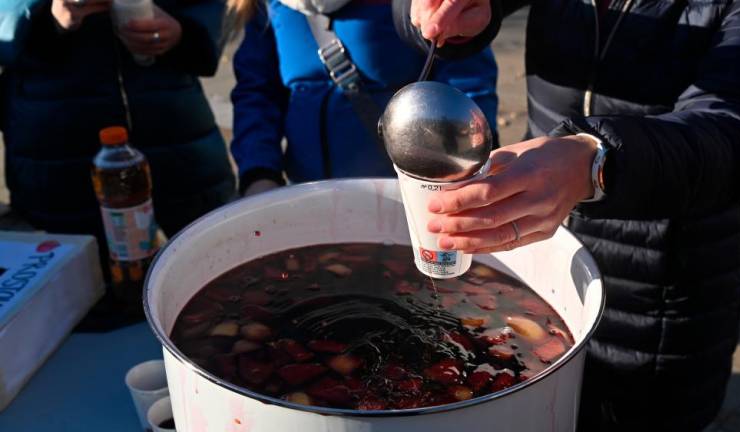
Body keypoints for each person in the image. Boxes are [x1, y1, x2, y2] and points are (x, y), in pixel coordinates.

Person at [395, 0, 740, 430]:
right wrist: (437, 12)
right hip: (534, 263)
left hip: (660, 295)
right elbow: (414, 16)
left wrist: (597, 162)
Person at [0, 0, 236, 327]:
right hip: (56, 147)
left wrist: (186, 30)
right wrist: (39, 18)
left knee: (213, 298)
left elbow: (213, 8)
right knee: (76, 317)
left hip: (177, 136)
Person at [228, 0, 499, 196]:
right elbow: (257, 93)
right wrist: (259, 173)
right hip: (306, 194)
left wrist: (468, 169)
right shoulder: (268, 7)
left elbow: (466, 87)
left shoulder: (421, 5)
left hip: (410, 196)